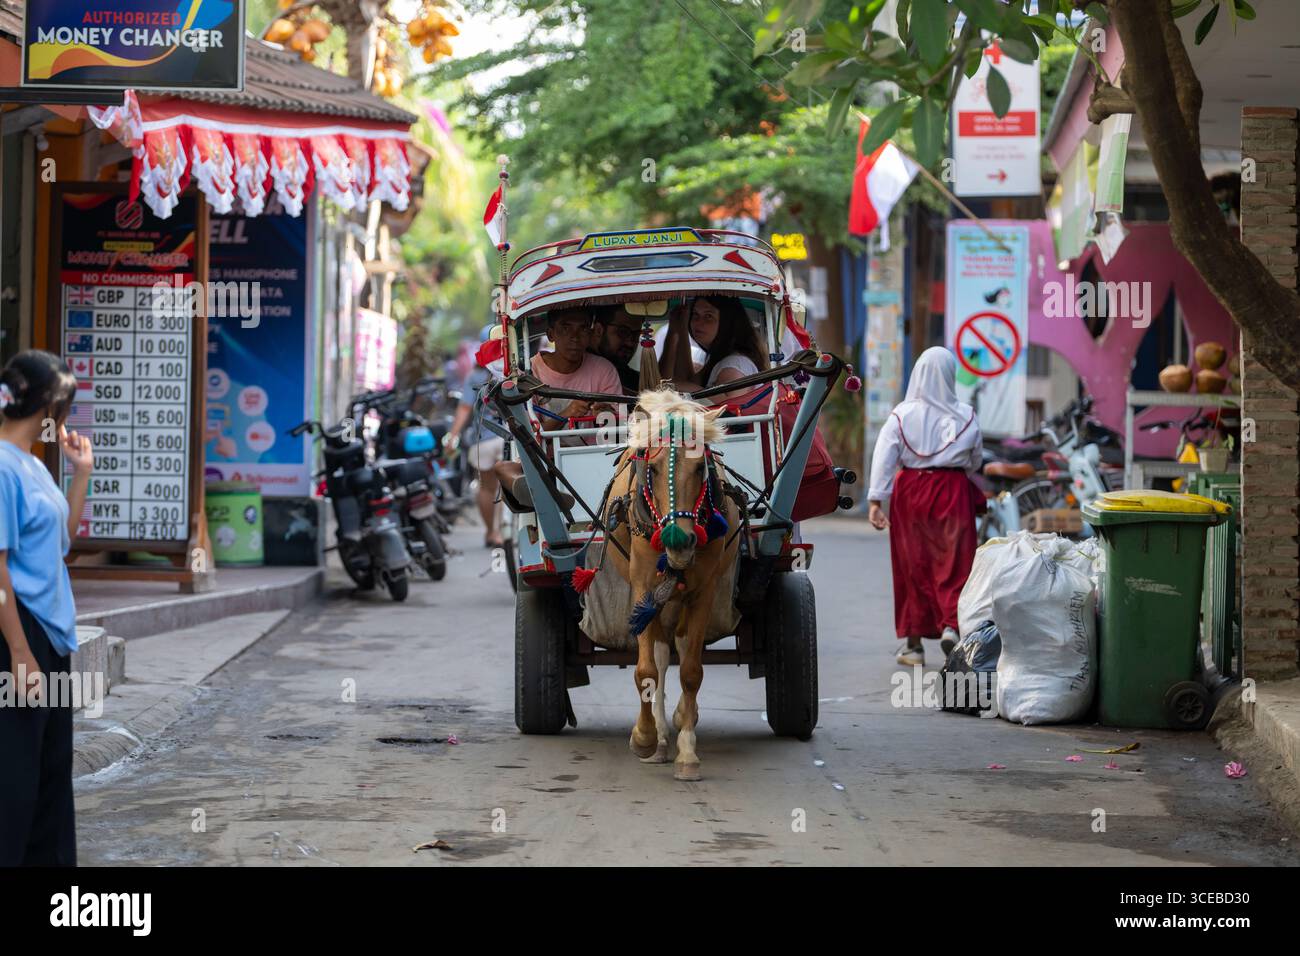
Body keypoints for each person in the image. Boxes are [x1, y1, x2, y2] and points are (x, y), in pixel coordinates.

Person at [0, 350, 93, 866]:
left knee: (51, 774)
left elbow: (63, 543)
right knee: (14, 778)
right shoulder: (1, 468)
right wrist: (18, 652)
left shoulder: (33, 464)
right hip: (20, 634)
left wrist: (81, 474)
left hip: (52, 636)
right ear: (50, 406)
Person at [867, 347, 983, 667]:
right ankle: (951, 627)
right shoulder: (967, 415)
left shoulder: (901, 415)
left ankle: (914, 646)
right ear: (950, 375)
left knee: (912, 564)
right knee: (955, 563)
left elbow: (884, 459)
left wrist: (877, 502)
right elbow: (975, 461)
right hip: (953, 491)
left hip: (910, 493)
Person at [445, 334, 508, 548]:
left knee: (487, 488)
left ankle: (491, 532)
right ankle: (503, 532)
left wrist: (452, 436)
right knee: (505, 487)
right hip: (510, 438)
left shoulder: (475, 375)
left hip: (483, 440)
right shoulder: (512, 371)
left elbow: (464, 409)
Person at [530, 307, 622, 443]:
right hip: (544, 462)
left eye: (583, 328)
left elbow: (618, 435)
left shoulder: (604, 370)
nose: (575, 337)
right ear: (551, 334)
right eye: (566, 328)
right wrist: (567, 414)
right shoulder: (530, 372)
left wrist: (606, 416)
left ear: (590, 334)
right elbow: (529, 437)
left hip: (596, 460)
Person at [660, 295, 768, 400]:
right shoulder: (721, 360)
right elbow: (685, 380)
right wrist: (678, 330)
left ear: (727, 322)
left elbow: (731, 406)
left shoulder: (734, 363)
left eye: (708, 316)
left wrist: (680, 387)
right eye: (695, 315)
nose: (698, 322)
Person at [590, 305, 642, 394]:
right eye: (623, 332)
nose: (630, 343)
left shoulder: (633, 379)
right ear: (599, 330)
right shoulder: (577, 367)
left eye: (636, 334)